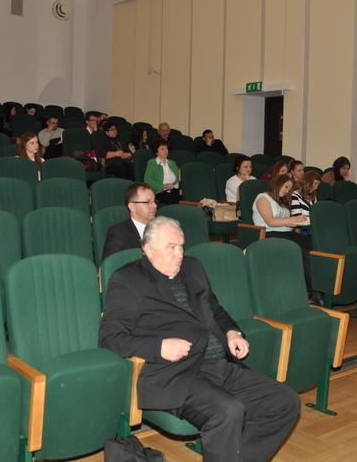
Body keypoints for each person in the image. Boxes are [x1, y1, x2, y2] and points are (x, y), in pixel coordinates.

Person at [99, 216, 300, 462]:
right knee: (228, 411)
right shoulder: (128, 279)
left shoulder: (193, 267)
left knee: (285, 401)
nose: (179, 254)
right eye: (171, 247)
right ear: (148, 249)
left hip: (219, 365)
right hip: (176, 374)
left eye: (181, 246)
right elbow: (110, 338)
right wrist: (159, 346)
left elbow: (215, 309)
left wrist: (232, 331)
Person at [253, 174, 318, 303]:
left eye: (289, 189)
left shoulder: (281, 200)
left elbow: (287, 221)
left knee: (315, 246)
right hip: (270, 233)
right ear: (278, 183)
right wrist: (293, 218)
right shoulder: (262, 198)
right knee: (305, 252)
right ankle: (315, 292)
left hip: (287, 232)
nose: (287, 190)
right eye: (286, 186)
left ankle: (318, 286)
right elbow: (270, 221)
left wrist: (298, 221)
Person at [102, 182, 157, 261]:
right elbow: (111, 264)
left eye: (154, 201)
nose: (155, 206)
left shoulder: (162, 229)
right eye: (148, 202)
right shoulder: (118, 233)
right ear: (132, 207)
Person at [145, 138, 180, 205]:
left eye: (166, 148)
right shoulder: (152, 163)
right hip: (160, 192)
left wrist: (177, 183)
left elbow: (178, 178)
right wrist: (163, 186)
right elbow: (147, 180)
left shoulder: (172, 163)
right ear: (156, 151)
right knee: (170, 198)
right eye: (162, 149)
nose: (165, 151)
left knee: (176, 195)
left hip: (173, 190)